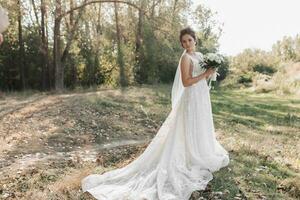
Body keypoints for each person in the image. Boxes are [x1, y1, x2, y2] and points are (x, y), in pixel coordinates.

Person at [81, 27, 230, 200]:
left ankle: (201, 150)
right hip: (191, 97)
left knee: (200, 124)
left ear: (195, 40)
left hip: (201, 96)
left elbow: (202, 77)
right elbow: (187, 82)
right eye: (184, 41)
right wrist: (205, 73)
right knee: (188, 126)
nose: (187, 43)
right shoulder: (186, 58)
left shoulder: (200, 56)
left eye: (189, 40)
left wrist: (210, 73)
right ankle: (190, 155)